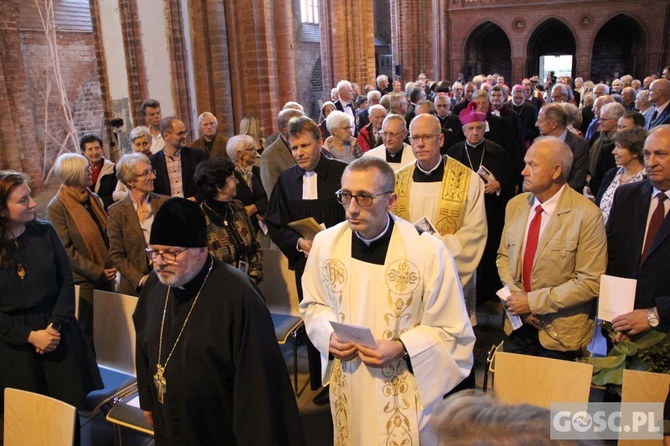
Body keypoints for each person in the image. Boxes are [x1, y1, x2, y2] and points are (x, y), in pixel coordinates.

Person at [300, 157, 475, 445]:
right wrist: (328, 335)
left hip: (404, 384)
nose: (352, 208)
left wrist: (403, 347)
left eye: (365, 197)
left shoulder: (428, 252)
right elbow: (313, 305)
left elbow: (452, 330)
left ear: (391, 200)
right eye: (345, 196)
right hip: (350, 381)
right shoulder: (325, 244)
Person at [134, 198, 304, 444]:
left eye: (171, 253)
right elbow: (144, 345)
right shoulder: (155, 285)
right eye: (155, 252)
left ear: (201, 250)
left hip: (218, 426)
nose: (160, 262)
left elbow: (258, 385)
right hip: (170, 417)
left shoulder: (239, 296)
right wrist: (148, 399)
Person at [0, 171, 102, 413]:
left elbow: (66, 281)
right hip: (15, 346)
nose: (33, 204)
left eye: (30, 197)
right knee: (28, 419)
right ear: (2, 210)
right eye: (23, 200)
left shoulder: (44, 232)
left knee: (66, 413)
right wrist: (30, 336)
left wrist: (53, 327)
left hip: (57, 335)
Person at [497, 137, 607, 359]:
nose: (523, 172)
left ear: (556, 171)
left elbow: (589, 281)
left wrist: (532, 302)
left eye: (532, 165)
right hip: (517, 323)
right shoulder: (516, 205)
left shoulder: (586, 215)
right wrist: (518, 299)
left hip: (559, 334)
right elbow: (503, 257)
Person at [265, 116, 347, 404]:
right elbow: (275, 224)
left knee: (343, 320)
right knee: (316, 321)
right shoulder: (287, 180)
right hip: (306, 266)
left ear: (320, 142)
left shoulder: (342, 173)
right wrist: (298, 242)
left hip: (342, 265)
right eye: (293, 146)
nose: (298, 152)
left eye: (304, 146)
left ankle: (345, 376)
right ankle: (322, 380)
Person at [392, 114, 487, 323]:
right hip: (409, 272)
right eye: (415, 138)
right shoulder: (397, 181)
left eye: (427, 137)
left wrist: (434, 251)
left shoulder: (469, 180)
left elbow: (474, 233)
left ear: (441, 140)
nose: (420, 144)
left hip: (448, 272)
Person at [607, 125, 670, 345]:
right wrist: (616, 314)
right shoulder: (626, 196)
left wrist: (655, 314)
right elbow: (611, 257)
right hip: (621, 327)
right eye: (646, 154)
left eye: (660, 154)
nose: (651, 163)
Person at [448, 106, 514, 308]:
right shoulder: (454, 153)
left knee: (489, 250)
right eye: (471, 129)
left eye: (479, 128)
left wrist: (499, 184)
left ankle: (489, 294)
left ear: (484, 128)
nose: (475, 132)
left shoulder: (497, 151)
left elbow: (511, 180)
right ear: (464, 130)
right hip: (463, 213)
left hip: (491, 210)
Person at [47, 153, 116, 343]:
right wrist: (97, 271)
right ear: (74, 174)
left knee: (110, 325)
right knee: (89, 330)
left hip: (107, 271)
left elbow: (105, 233)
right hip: (85, 279)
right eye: (86, 169)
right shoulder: (57, 207)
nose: (91, 171)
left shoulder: (91, 197)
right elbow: (66, 251)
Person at [108, 153, 168, 296]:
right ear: (130, 181)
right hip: (135, 289)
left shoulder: (165, 203)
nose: (153, 177)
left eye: (151, 172)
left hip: (167, 281)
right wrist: (140, 279)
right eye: (145, 173)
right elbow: (116, 255)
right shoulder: (116, 212)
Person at [195, 158, 262, 283]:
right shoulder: (198, 219)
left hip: (247, 285)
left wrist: (254, 277)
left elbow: (254, 247)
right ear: (218, 186)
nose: (237, 181)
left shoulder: (238, 207)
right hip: (218, 291)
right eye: (232, 178)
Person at [596, 127, 647, 224]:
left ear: (635, 152)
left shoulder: (646, 179)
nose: (613, 151)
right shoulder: (612, 174)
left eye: (619, 147)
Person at [150, 116, 208, 199]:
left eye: (185, 132)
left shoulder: (197, 156)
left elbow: (207, 184)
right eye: (180, 133)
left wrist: (196, 198)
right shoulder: (153, 162)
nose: (185, 136)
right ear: (166, 136)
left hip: (193, 208)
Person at [225, 135, 267, 232]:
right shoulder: (227, 175)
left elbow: (270, 195)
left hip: (262, 227)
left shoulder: (260, 171)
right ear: (239, 154)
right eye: (251, 149)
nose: (255, 153)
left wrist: (255, 207)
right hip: (238, 227)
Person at [260, 108, 304, 198]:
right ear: (286, 130)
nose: (306, 129)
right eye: (301, 125)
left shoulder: (305, 147)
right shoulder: (269, 156)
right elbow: (274, 195)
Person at [113, 125, 153, 202]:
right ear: (132, 145)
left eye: (145, 144)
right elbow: (116, 194)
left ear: (150, 143)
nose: (141, 149)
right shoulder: (127, 164)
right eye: (137, 144)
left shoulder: (156, 161)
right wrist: (135, 196)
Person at [80, 133, 117, 210]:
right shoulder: (80, 172)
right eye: (90, 149)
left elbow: (116, 196)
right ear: (84, 153)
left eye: (97, 148)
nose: (95, 152)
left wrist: (96, 203)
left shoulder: (113, 169)